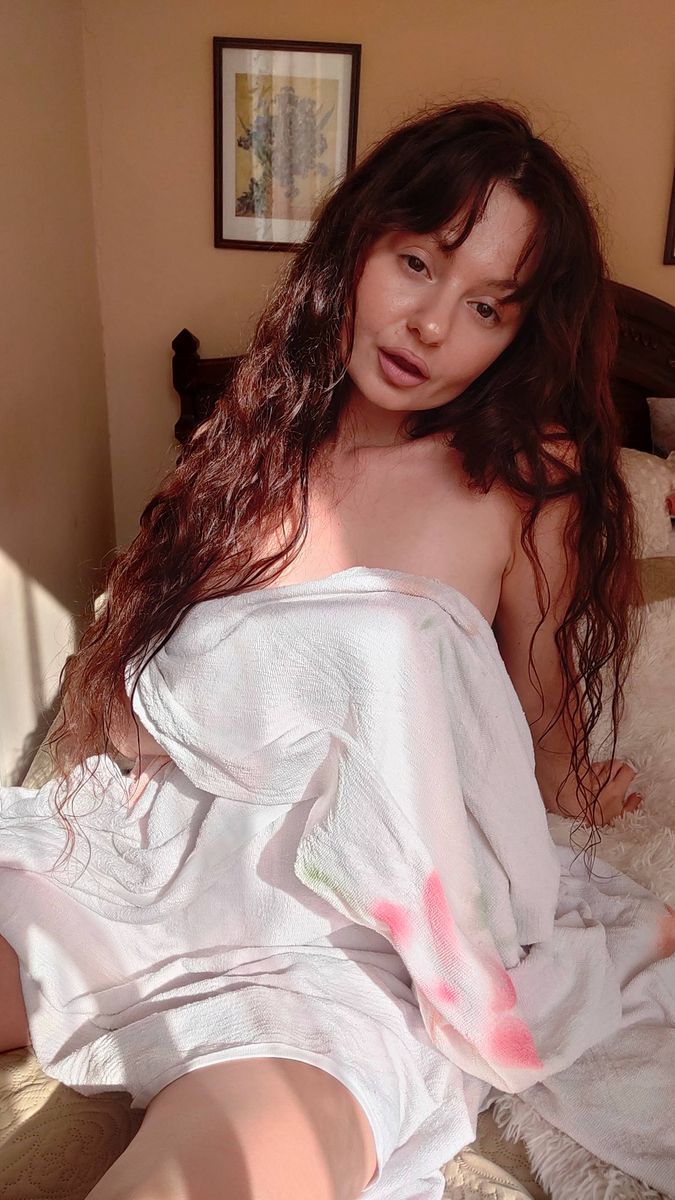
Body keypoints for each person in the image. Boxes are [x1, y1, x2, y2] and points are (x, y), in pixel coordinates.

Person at [0, 101, 672, 1200]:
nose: (431, 326)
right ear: (357, 242)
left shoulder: (526, 481)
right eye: (417, 263)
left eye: (486, 306)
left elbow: (522, 720)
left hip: (337, 939)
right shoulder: (247, 445)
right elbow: (139, 700)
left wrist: (569, 781)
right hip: (151, 858)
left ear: (518, 334)